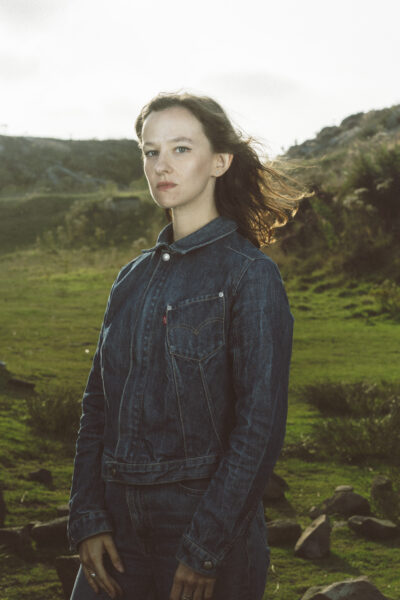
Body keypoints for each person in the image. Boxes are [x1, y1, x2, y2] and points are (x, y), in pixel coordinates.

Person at [68, 91, 309, 600]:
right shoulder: (130, 278)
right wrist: (88, 517)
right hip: (115, 526)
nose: (161, 165)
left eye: (180, 149)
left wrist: (206, 547)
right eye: (150, 151)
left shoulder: (250, 276)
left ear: (220, 161)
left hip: (202, 525)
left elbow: (259, 426)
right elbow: (97, 406)